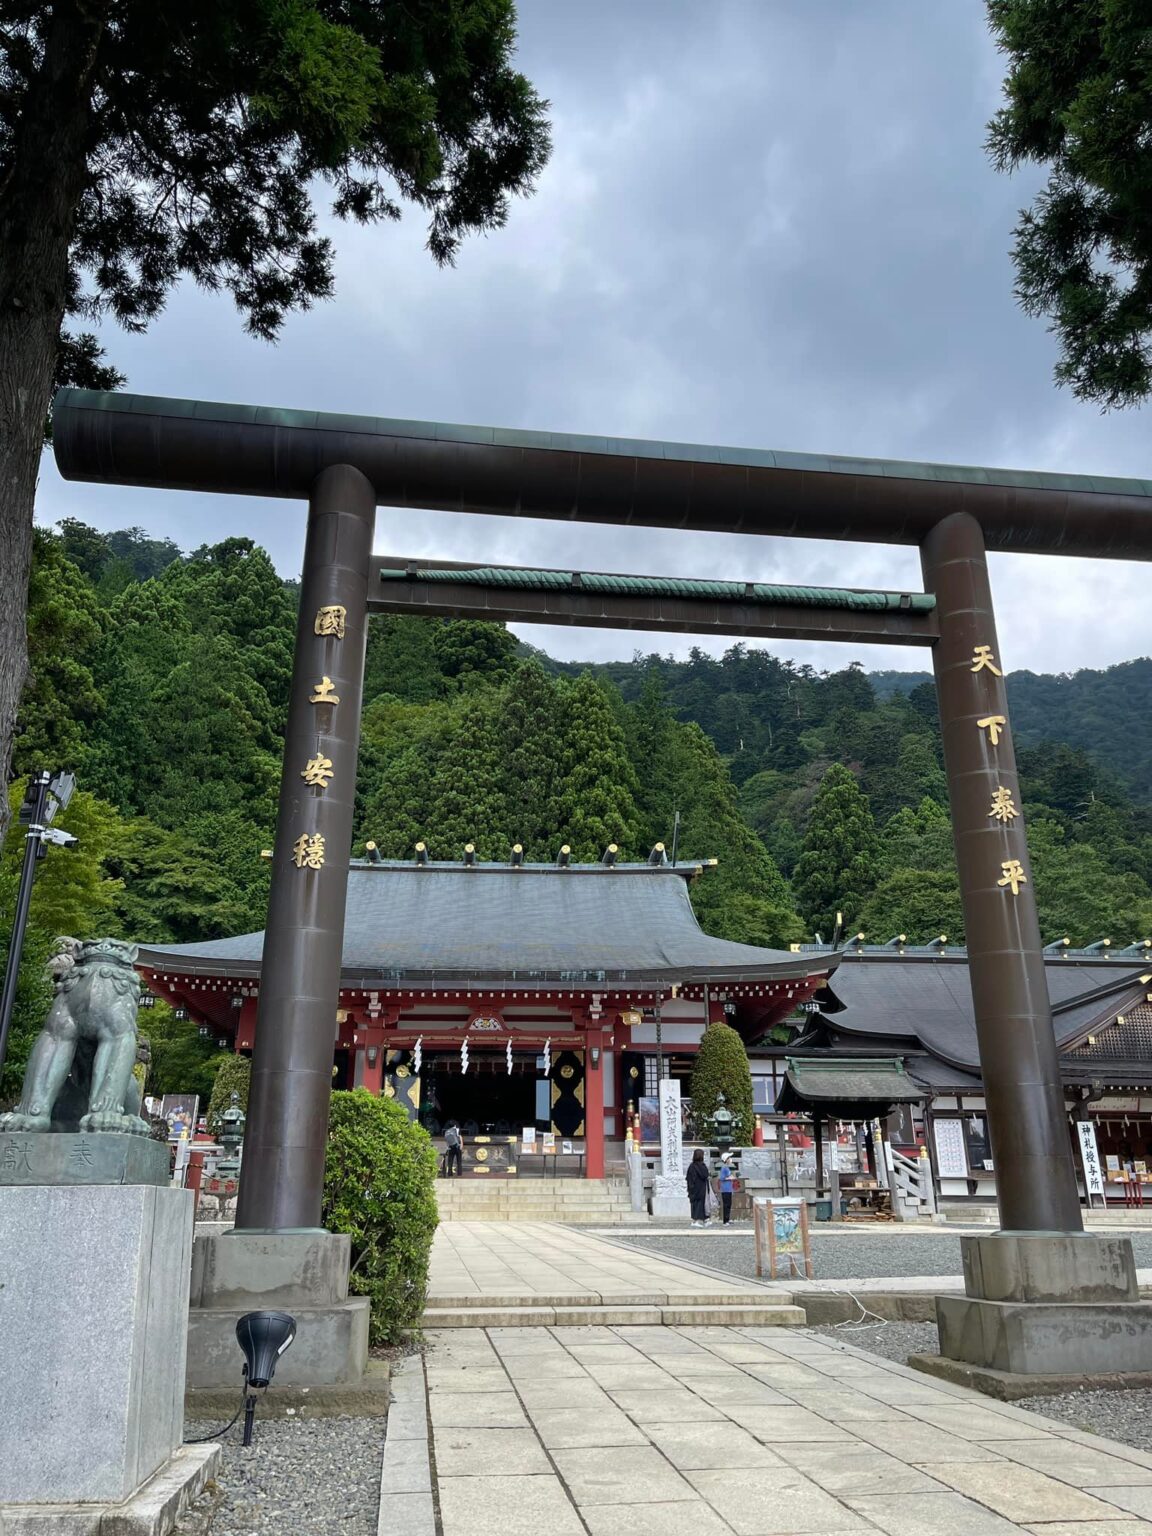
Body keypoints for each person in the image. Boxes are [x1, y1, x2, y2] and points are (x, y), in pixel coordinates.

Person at [686, 1146, 710, 1226]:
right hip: (702, 1188)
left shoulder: (692, 1166)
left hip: (693, 1188)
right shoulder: (703, 1166)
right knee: (702, 1203)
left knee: (695, 1204)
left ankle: (696, 1219)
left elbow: (689, 1178)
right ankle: (702, 1219)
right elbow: (705, 1175)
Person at [718, 1151, 735, 1225]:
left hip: (728, 1189)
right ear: (726, 1159)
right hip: (725, 1189)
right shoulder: (724, 1168)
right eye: (729, 1158)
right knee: (726, 1205)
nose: (730, 1159)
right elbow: (721, 1178)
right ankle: (725, 1221)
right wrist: (730, 1178)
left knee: (729, 1204)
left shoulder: (726, 1167)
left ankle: (727, 1219)